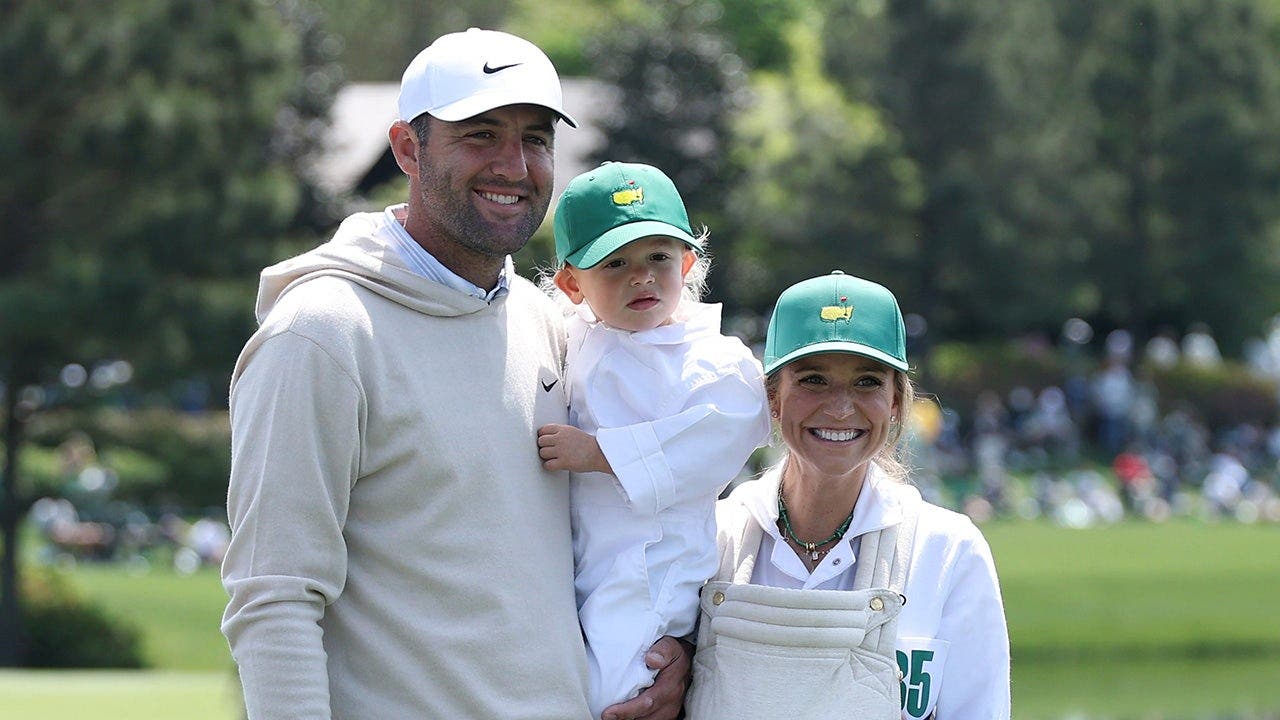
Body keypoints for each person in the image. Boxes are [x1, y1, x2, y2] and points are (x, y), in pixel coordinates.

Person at [221, 29, 689, 720]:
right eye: (481, 135)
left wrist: (669, 646)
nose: (514, 165)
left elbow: (620, 524)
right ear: (407, 149)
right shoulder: (320, 334)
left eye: (535, 139)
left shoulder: (549, 323)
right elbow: (275, 594)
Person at [687, 271, 1011, 720]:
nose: (840, 408)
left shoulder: (947, 550)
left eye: (867, 382)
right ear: (773, 396)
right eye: (813, 380)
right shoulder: (711, 535)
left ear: (895, 401)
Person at [535, 162, 770, 717]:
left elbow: (723, 433)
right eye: (615, 263)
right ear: (572, 285)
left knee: (617, 685)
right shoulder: (571, 337)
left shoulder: (715, 360)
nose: (641, 277)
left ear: (686, 263)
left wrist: (600, 454)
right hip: (582, 557)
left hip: (652, 567)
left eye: (658, 258)